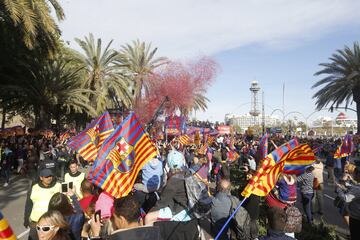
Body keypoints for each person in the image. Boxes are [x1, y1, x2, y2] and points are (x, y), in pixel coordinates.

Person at [89, 194, 161, 240]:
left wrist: (95, 235)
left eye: (114, 217)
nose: (113, 220)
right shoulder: (156, 231)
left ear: (122, 219)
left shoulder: (118, 237)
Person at [24, 162, 61, 240]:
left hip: (51, 222)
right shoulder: (34, 188)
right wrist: (26, 219)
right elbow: (28, 204)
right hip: (35, 222)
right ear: (41, 178)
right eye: (46, 177)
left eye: (50, 176)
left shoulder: (58, 186)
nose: (49, 178)